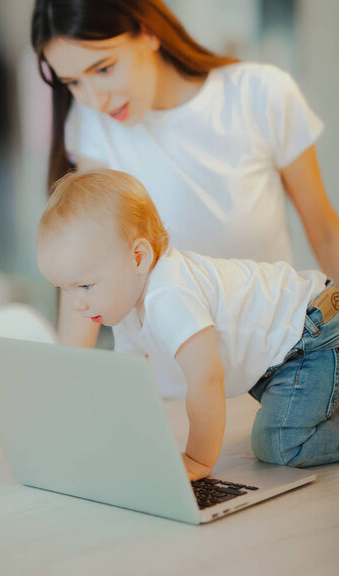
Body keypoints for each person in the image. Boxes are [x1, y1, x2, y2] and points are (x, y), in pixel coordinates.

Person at [31, 0, 339, 352]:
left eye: (103, 69)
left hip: (272, 364)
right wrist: (66, 375)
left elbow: (327, 234)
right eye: (73, 82)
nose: (94, 99)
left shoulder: (260, 94)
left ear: (147, 31)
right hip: (159, 378)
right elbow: (86, 267)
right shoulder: (93, 127)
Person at [36, 168, 339, 480]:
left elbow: (206, 377)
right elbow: (132, 383)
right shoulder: (125, 302)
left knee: (280, 444)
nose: (77, 303)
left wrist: (198, 458)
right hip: (281, 353)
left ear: (138, 258)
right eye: (66, 289)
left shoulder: (170, 293)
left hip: (310, 333)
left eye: (85, 286)